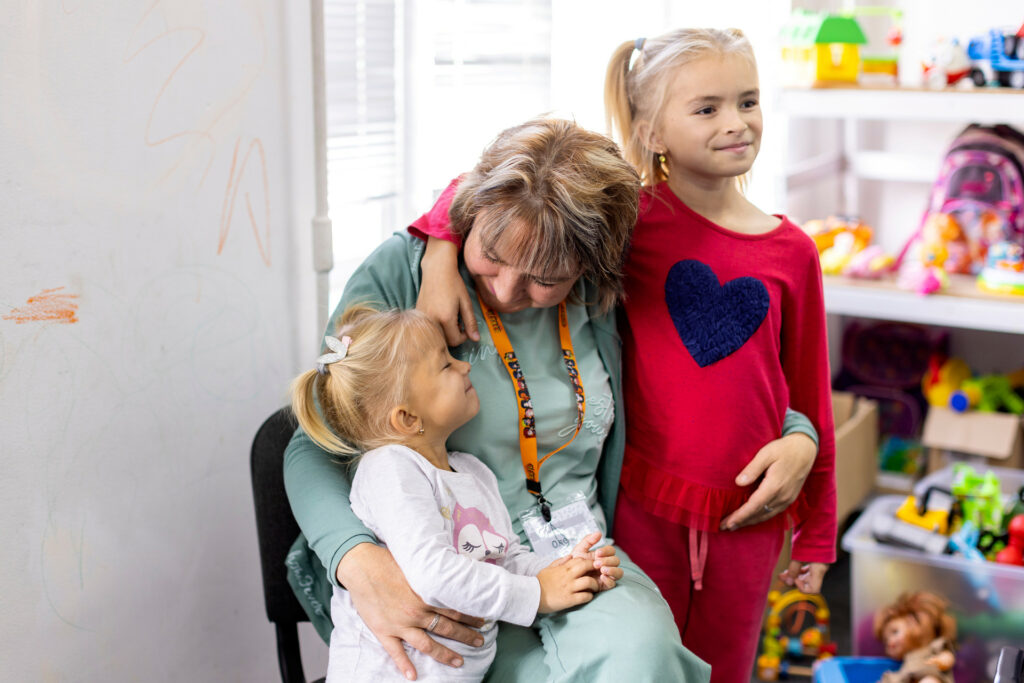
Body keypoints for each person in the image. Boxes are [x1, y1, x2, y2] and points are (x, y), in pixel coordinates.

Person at [413, 29, 835, 683]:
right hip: (641, 507)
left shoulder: (794, 252)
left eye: (748, 102)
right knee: (645, 660)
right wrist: (441, 248)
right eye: (708, 107)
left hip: (751, 514)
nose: (737, 123)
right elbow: (500, 182)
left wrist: (818, 530)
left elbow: (810, 394)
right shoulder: (626, 221)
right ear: (652, 130)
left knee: (727, 670)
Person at [283, 117, 714, 682]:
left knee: (643, 657)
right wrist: (358, 563)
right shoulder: (404, 275)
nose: (506, 290)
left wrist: (797, 427)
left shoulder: (603, 295)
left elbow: (710, 371)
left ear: (591, 267)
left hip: (569, 553)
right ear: (469, 217)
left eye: (545, 278)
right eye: (491, 253)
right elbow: (312, 446)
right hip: (440, 568)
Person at [289, 304, 624, 681]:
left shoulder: (472, 472)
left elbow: (505, 557)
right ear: (407, 418)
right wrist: (538, 596)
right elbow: (433, 574)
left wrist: (565, 570)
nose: (464, 366)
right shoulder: (389, 469)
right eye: (446, 365)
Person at [874, 592, 956, 683]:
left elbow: (947, 655)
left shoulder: (933, 647)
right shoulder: (903, 668)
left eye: (895, 632)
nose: (890, 642)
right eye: (886, 641)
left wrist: (943, 661)